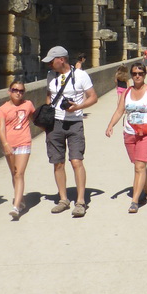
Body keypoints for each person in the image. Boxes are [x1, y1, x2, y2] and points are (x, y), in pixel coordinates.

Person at [104, 63, 147, 211]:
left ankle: (134, 201)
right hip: (130, 133)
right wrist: (110, 125)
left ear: (145, 74)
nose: (137, 76)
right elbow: (120, 111)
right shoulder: (127, 93)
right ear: (131, 76)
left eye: (140, 73)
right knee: (139, 166)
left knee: (140, 166)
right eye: (134, 74)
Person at [42, 45, 98, 217]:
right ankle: (63, 199)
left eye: (51, 61)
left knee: (76, 161)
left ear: (61, 60)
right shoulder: (51, 76)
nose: (49, 65)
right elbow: (49, 96)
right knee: (58, 162)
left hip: (74, 123)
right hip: (55, 124)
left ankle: (80, 201)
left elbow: (93, 97)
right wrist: (47, 115)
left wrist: (78, 107)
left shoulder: (81, 75)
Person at [0, 80, 36, 220]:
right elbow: (1, 128)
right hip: (9, 144)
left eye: (21, 91)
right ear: (10, 91)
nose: (18, 93)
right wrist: (5, 144)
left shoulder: (28, 104)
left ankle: (16, 206)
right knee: (13, 173)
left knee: (19, 173)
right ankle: (21, 200)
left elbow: (34, 119)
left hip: (24, 142)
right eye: (15, 90)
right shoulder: (3, 108)